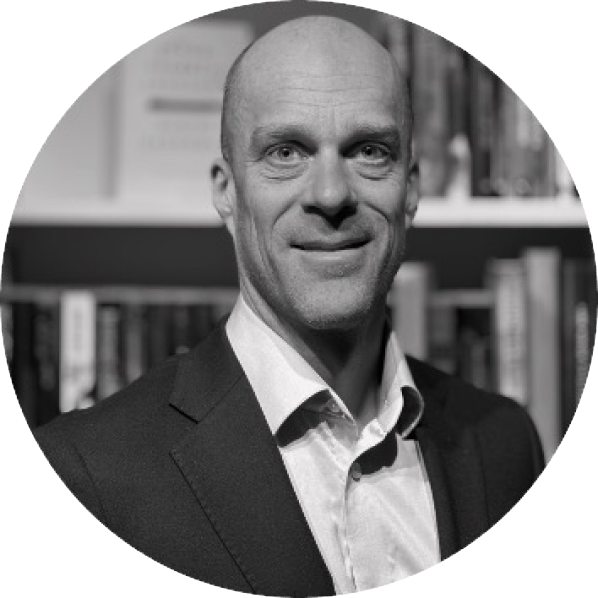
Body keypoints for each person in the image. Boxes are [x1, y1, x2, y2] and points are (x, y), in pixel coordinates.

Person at [34, 15, 544, 595]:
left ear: (411, 189)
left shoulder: (505, 444)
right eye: (285, 152)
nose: (330, 194)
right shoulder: (86, 475)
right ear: (227, 192)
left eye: (368, 150)